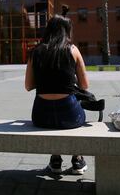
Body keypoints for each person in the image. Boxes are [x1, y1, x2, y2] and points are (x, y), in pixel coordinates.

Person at [25, 14, 88, 174]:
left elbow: (28, 86)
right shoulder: (73, 50)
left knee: (53, 121)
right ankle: (78, 159)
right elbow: (84, 85)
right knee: (76, 103)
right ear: (67, 32)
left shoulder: (36, 52)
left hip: (41, 116)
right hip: (70, 114)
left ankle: (55, 159)